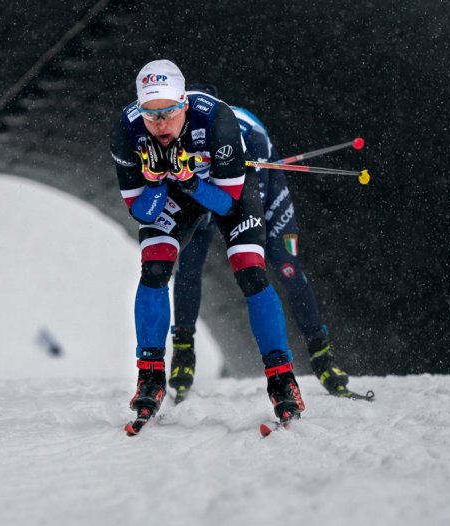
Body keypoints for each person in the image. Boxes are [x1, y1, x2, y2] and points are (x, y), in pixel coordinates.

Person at [110, 60, 305, 427]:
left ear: (184, 103)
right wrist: (155, 182)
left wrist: (189, 181)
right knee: (154, 268)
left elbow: (227, 203)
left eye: (168, 112)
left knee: (250, 271)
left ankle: (282, 380)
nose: (161, 124)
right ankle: (150, 376)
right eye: (151, 115)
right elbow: (142, 212)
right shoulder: (127, 130)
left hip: (221, 189)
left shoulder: (216, 118)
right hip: (172, 191)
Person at [169, 83, 351, 403]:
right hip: (206, 185)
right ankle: (183, 354)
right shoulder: (174, 136)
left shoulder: (242, 137)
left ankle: (323, 356)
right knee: (189, 261)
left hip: (256, 180)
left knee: (284, 264)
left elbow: (245, 209)